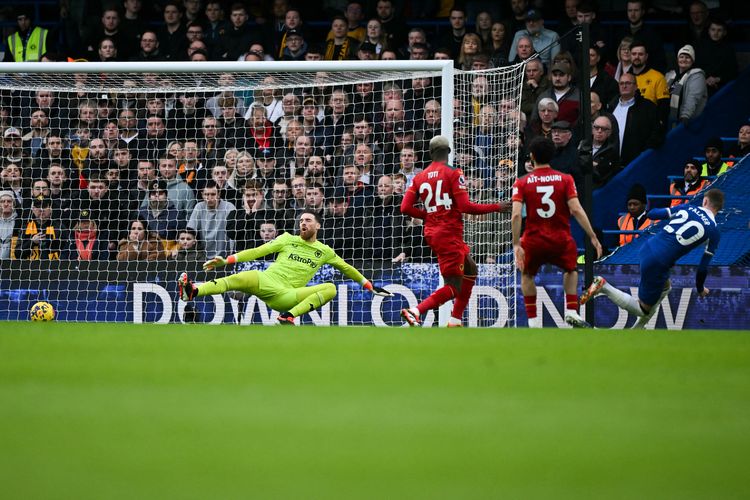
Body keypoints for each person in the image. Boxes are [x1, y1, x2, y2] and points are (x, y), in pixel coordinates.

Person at [178, 211, 393, 325]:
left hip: (287, 295)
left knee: (331, 288)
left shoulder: (324, 251)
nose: (303, 223)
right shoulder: (287, 238)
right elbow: (257, 251)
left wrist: (369, 285)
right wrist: (227, 260)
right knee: (240, 277)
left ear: (317, 226)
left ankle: (289, 316)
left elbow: (347, 268)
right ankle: (193, 290)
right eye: (301, 220)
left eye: (308, 220)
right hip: (266, 280)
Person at [399, 135, 509, 328]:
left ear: (431, 153)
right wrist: (496, 207)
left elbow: (405, 208)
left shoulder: (419, 177)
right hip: (448, 233)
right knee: (453, 286)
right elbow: (465, 206)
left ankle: (455, 320)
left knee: (471, 269)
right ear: (449, 152)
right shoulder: (453, 172)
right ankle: (415, 311)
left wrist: (429, 215)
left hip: (433, 232)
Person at [582, 189, 724, 329]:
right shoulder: (714, 232)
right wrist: (700, 288)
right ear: (719, 208)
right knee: (642, 309)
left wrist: (653, 212)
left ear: (705, 201)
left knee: (666, 286)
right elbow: (703, 267)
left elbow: (654, 214)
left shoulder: (689, 207)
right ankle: (604, 286)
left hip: (647, 248)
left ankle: (639, 328)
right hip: (659, 262)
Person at [511, 136, 602, 328]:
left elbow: (516, 215)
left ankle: (533, 321)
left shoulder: (522, 182)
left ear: (532, 156)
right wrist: (592, 236)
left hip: (533, 239)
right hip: (560, 238)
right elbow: (576, 209)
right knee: (570, 270)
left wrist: (516, 243)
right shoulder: (565, 179)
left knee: (527, 275)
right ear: (551, 156)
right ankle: (570, 311)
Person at [664, 44, 707, 127]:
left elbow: (693, 97)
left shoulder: (697, 76)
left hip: (685, 123)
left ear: (692, 60)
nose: (684, 59)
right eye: (681, 57)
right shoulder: (671, 75)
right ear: (677, 59)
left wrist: (685, 116)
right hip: (669, 121)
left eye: (687, 57)